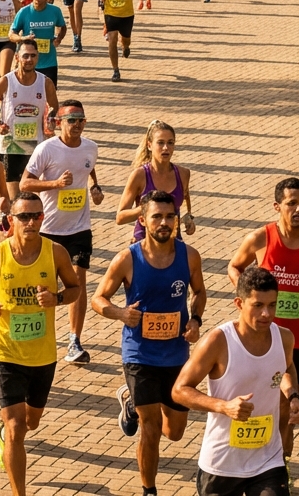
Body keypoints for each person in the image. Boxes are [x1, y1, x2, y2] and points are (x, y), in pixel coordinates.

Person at [92, 190, 206, 496]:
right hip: (139, 354)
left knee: (174, 432)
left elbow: (199, 292)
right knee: (151, 428)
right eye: (157, 217)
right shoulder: (127, 259)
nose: (164, 223)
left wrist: (195, 320)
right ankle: (149, 490)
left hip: (176, 354)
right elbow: (98, 299)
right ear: (143, 220)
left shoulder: (189, 256)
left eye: (170, 216)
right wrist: (120, 313)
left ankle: (129, 401)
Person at [0, 191, 81, 496]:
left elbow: (75, 288)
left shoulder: (56, 253)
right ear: (11, 220)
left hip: (42, 355)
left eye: (36, 216)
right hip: (5, 352)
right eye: (24, 216)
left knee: (31, 422)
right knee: (17, 427)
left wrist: (56, 298)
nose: (31, 222)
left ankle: (1, 433)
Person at [228, 176, 299, 457]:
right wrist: (248, 297)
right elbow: (234, 266)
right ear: (277, 206)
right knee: (269, 406)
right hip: (263, 338)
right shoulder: (260, 239)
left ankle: (280, 465)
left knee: (288, 408)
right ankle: (264, 462)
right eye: (292, 203)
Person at [172, 266, 299, 496]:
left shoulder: (284, 338)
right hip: (222, 463)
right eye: (258, 305)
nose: (266, 313)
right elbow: (179, 390)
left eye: (272, 305)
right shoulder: (218, 341)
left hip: (268, 460)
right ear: (239, 303)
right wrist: (224, 406)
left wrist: (293, 396)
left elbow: (286, 368)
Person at [20, 100, 102, 365]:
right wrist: (55, 183)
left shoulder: (91, 147)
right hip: (49, 229)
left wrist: (96, 187)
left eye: (81, 120)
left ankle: (74, 341)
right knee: (44, 285)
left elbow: (87, 167)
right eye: (71, 120)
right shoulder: (46, 149)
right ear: (58, 123)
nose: (77, 125)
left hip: (79, 227)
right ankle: (37, 334)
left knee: (77, 282)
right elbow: (25, 183)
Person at [0, 38, 59, 207]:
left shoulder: (45, 82)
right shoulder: (6, 81)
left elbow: (54, 107)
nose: (29, 59)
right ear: (17, 57)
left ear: (38, 57)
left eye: (33, 56)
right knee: (14, 198)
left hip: (36, 145)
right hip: (11, 146)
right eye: (25, 56)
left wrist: (50, 120)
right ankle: (11, 221)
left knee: (33, 195)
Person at [116, 120, 195, 242]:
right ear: (149, 145)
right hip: (144, 243)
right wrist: (146, 208)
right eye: (160, 143)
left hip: (173, 244)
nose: (166, 148)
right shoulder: (139, 175)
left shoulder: (183, 174)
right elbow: (120, 218)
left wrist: (188, 218)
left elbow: (182, 201)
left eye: (170, 142)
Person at [10, 0, 66, 86]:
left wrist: (59, 38)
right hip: (28, 62)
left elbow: (62, 27)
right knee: (26, 91)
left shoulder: (55, 11)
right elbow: (11, 35)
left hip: (49, 62)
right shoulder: (24, 12)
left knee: (49, 92)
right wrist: (23, 38)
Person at [99, 0, 143, 82]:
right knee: (112, 40)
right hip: (110, 12)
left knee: (125, 39)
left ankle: (126, 47)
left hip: (126, 14)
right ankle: (115, 70)